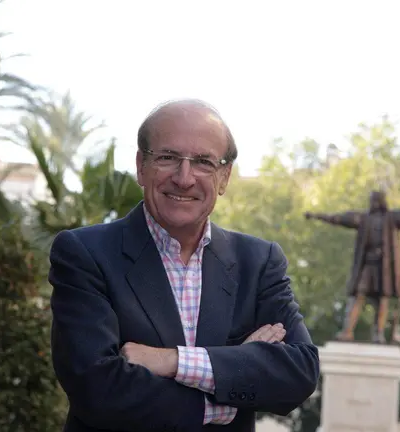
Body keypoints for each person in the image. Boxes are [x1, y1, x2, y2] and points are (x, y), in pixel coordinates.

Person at [49, 99, 319, 431]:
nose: (184, 178)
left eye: (204, 162)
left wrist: (172, 361)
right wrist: (228, 389)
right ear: (141, 166)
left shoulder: (259, 262)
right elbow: (98, 390)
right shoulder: (85, 254)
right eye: (168, 158)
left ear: (224, 177)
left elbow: (298, 372)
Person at [304, 189, 400, 343]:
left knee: (382, 299)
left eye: (376, 199)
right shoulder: (363, 218)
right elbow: (339, 218)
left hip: (384, 267)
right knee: (357, 295)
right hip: (367, 264)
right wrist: (316, 215)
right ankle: (348, 331)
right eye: (372, 199)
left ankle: (378, 334)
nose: (373, 202)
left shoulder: (392, 218)